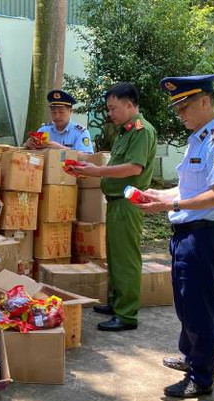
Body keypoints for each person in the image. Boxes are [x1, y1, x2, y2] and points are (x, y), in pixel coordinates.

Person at [134, 74, 214, 398]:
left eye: (184, 107)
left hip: (201, 237)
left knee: (198, 308)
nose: (180, 114)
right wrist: (160, 194)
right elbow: (190, 188)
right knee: (185, 303)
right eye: (178, 108)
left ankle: (201, 377)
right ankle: (190, 356)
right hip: (185, 235)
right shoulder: (199, 139)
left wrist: (172, 204)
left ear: (205, 101)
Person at [69, 82, 157, 331]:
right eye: (108, 109)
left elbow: (134, 168)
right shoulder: (126, 131)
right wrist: (90, 170)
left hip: (128, 202)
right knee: (116, 256)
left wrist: (97, 171)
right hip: (117, 202)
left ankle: (127, 315)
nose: (110, 113)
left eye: (113, 108)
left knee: (126, 258)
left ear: (129, 105)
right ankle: (118, 302)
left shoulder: (141, 131)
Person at [25, 89, 94, 153]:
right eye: (53, 112)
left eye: (61, 112)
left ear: (70, 111)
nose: (57, 116)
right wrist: (27, 145)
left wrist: (60, 149)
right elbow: (32, 153)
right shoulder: (44, 130)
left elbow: (86, 157)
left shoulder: (80, 133)